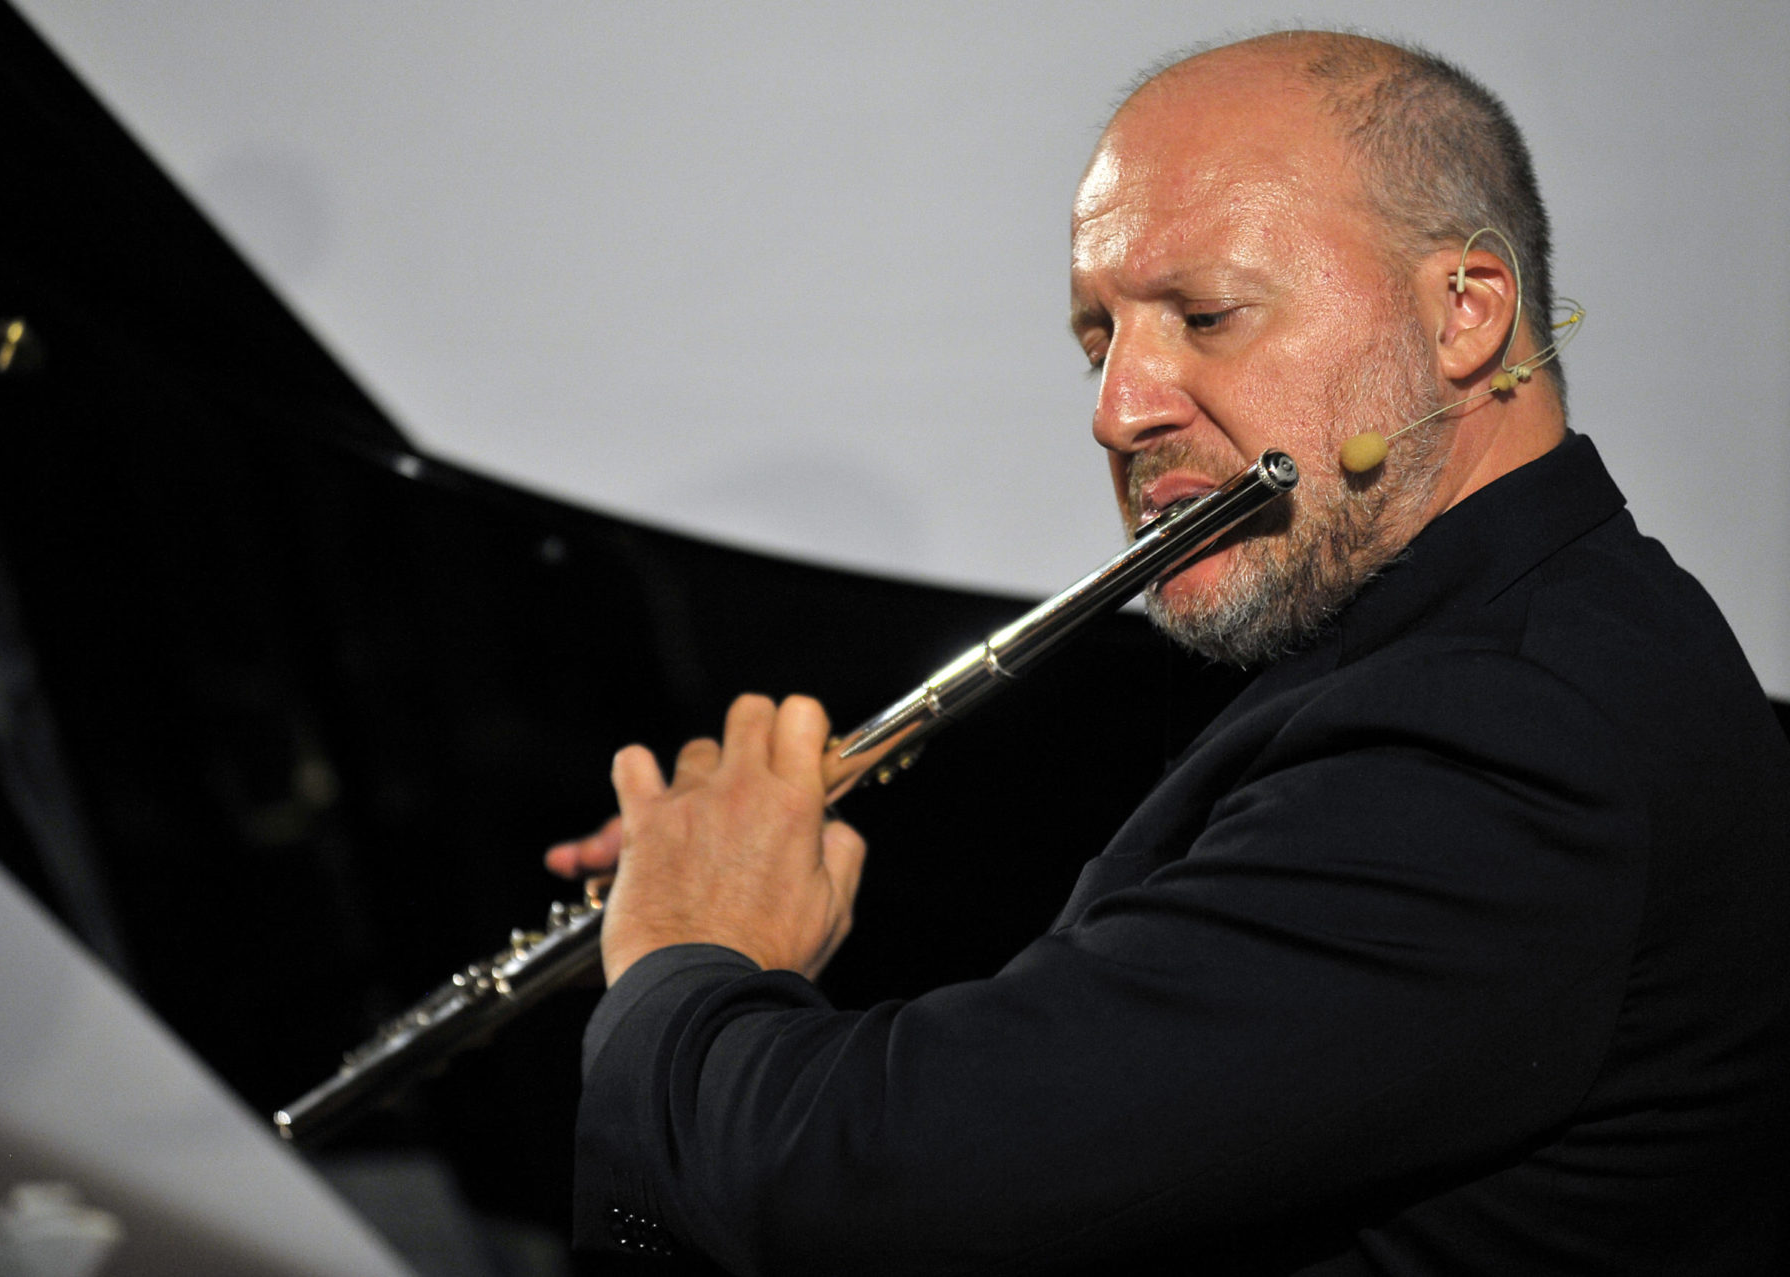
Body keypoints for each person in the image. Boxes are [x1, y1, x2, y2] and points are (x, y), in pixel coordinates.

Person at [544, 30, 1790, 1275]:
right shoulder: (1460, 659)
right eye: (1102, 340)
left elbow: (870, 1190)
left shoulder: (1508, 735)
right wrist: (738, 873)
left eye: (1207, 316)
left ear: (1465, 313)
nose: (1118, 408)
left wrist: (679, 954)